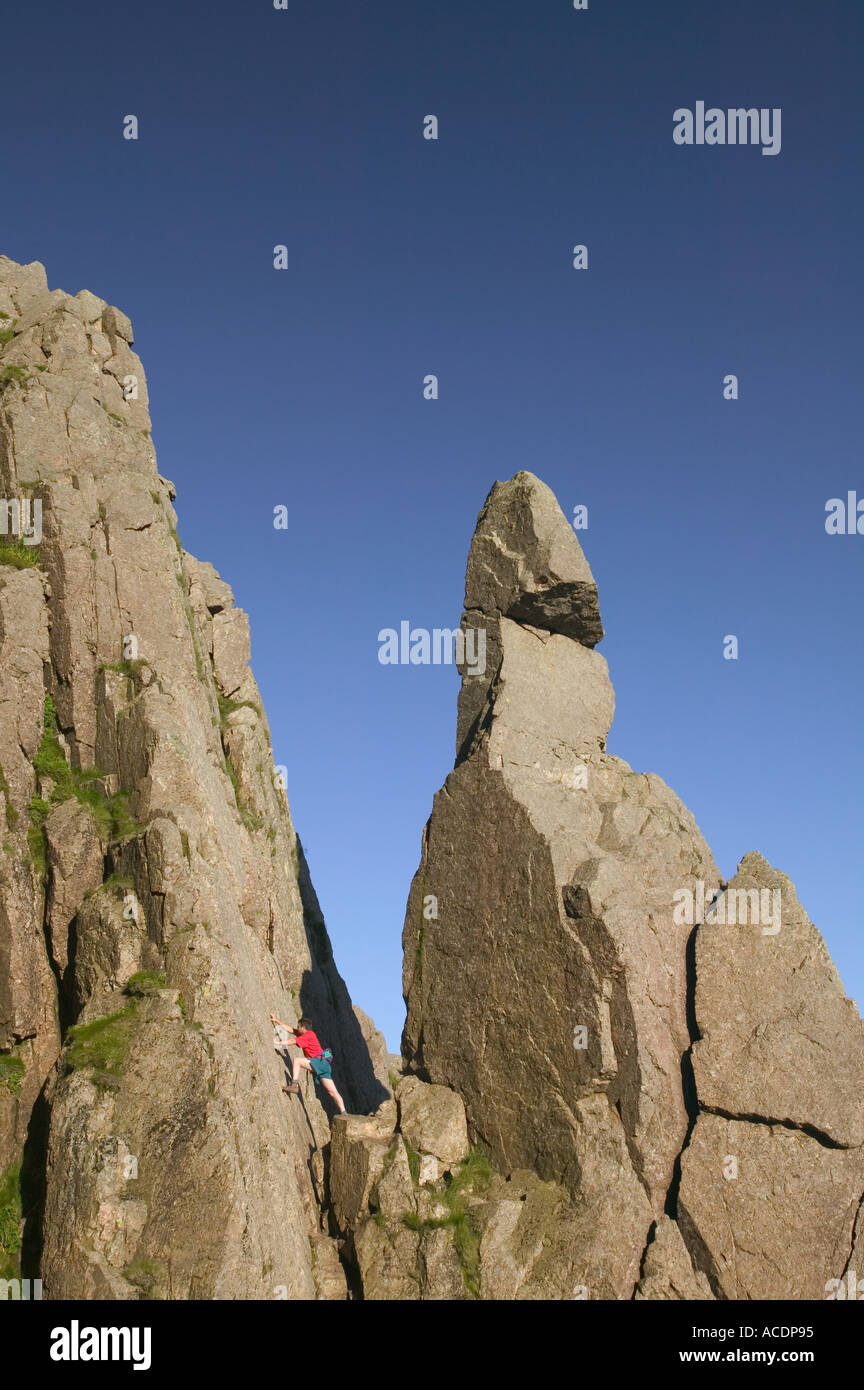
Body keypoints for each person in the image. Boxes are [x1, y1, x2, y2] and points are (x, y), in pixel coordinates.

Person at [269, 1012, 346, 1115]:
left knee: (297, 1061)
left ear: (303, 1028)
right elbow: (291, 1030)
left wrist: (278, 1043)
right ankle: (344, 1112)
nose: (297, 1028)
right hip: (324, 1066)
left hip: (319, 1062)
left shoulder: (309, 1035)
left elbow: (293, 1041)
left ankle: (294, 1085)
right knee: (333, 1092)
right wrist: (277, 1021)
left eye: (298, 1026)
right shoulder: (307, 1034)